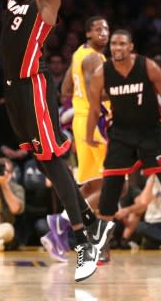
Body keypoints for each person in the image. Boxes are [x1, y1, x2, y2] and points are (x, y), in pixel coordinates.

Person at [0, 0, 114, 282]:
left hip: (34, 87)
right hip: (12, 91)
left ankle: (83, 241)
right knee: (46, 165)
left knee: (55, 161)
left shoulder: (47, 3)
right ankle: (92, 224)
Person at [86, 29, 161, 239]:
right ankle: (101, 244)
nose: (117, 48)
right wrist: (88, 136)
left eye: (122, 44)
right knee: (110, 190)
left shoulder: (148, 66)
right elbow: (94, 109)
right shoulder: (101, 73)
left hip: (152, 132)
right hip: (121, 135)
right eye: (114, 44)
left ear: (131, 47)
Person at [61, 16, 110, 210]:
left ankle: (64, 229)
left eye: (106, 29)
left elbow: (65, 89)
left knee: (93, 184)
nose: (103, 33)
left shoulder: (78, 54)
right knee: (115, 184)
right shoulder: (94, 58)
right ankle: (64, 224)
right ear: (88, 33)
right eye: (98, 29)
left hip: (81, 122)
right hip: (95, 123)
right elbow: (94, 96)